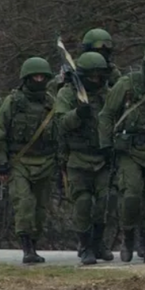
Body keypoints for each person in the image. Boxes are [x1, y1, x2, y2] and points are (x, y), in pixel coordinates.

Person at [99, 46, 145, 263]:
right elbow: (107, 115)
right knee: (131, 194)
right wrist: (106, 144)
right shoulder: (127, 84)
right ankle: (128, 236)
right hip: (131, 150)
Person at [0, 57, 59, 264]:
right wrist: (1, 161)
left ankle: (34, 244)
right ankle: (26, 247)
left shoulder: (51, 103)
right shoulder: (13, 102)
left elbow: (60, 132)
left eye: (42, 77)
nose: (38, 80)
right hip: (19, 162)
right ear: (26, 79)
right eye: (34, 77)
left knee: (40, 209)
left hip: (45, 162)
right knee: (24, 203)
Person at [54, 51, 115, 266]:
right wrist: (78, 114)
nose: (96, 80)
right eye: (92, 76)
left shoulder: (108, 95)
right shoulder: (68, 94)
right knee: (82, 202)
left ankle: (98, 242)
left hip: (103, 157)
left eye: (100, 76)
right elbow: (59, 124)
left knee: (103, 202)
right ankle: (85, 245)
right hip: (78, 157)